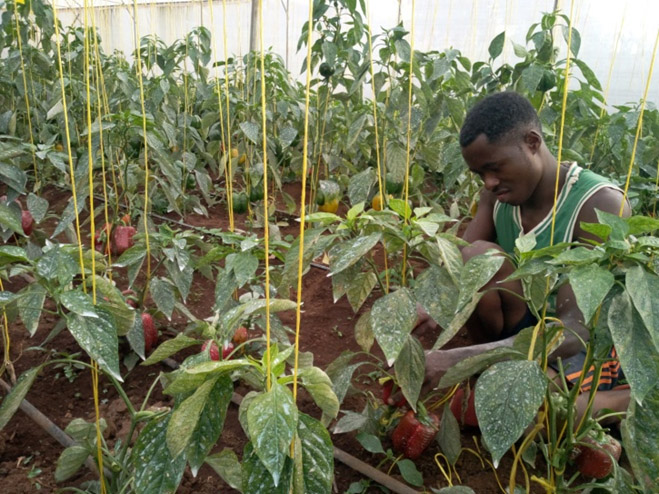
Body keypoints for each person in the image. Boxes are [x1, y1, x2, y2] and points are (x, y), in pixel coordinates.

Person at [416, 91, 630, 420]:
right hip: (523, 333)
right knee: (476, 256)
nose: (488, 182)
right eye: (479, 174)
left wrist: (461, 359)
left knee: (545, 415)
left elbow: (575, 329)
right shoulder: (496, 195)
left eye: (494, 168)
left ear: (532, 142)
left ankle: (617, 402)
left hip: (575, 344)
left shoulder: (598, 204)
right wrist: (422, 305)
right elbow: (456, 268)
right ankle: (499, 376)